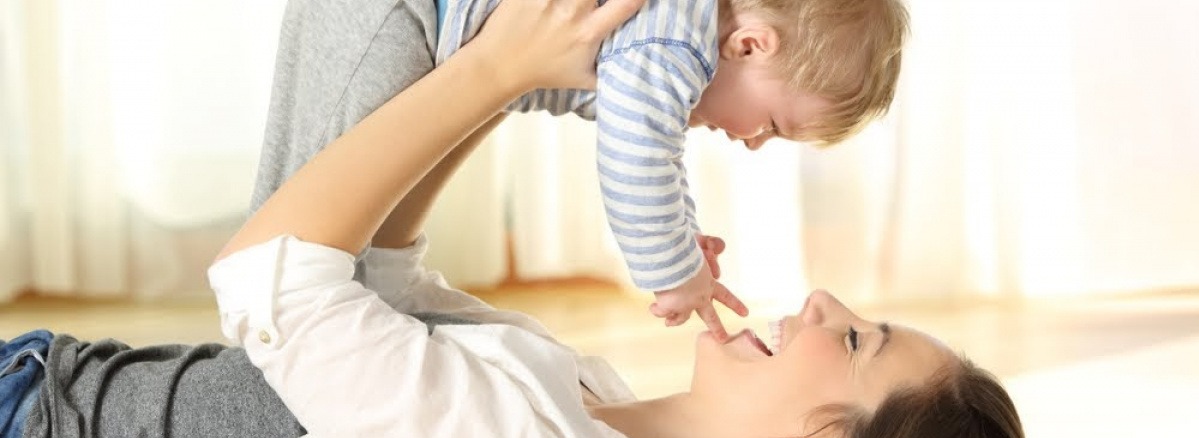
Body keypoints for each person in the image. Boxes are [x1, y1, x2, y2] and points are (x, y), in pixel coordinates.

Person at [0, 0, 1131, 438]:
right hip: (64, 376)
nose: (824, 298)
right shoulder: (597, 407)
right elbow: (375, 287)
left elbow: (272, 276)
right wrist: (491, 61)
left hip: (36, 430)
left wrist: (489, 73)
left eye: (855, 336)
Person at [251, 0, 910, 340]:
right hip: (398, 13)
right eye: (771, 125)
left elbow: (647, 144)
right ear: (748, 45)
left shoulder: (665, 41)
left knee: (343, 221)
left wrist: (680, 232)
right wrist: (678, 274)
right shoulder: (675, 43)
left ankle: (330, 324)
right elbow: (639, 158)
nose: (754, 143)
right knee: (293, 243)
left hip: (423, 25)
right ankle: (273, 336)